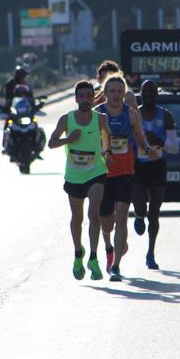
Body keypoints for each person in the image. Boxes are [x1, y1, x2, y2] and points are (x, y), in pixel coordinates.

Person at [48, 81, 112, 281]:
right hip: (74, 176)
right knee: (77, 219)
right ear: (76, 99)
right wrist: (69, 139)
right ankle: (78, 253)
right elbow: (51, 143)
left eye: (88, 96)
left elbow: (107, 137)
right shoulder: (66, 120)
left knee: (94, 214)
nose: (85, 100)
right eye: (81, 96)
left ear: (93, 98)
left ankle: (93, 257)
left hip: (96, 172)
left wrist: (107, 152)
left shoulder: (100, 119)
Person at [96, 74, 157, 281]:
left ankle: (116, 267)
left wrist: (148, 149)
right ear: (105, 93)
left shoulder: (130, 114)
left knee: (121, 215)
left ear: (124, 93)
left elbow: (140, 136)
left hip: (125, 171)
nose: (116, 95)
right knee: (106, 222)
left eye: (119, 91)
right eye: (111, 91)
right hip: (102, 173)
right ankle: (110, 246)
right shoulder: (98, 114)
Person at [132, 80, 179, 269]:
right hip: (138, 166)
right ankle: (138, 215)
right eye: (146, 92)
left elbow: (175, 148)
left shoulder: (165, 116)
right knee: (141, 208)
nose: (149, 95)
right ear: (140, 94)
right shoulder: (135, 115)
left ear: (157, 94)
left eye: (152, 92)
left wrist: (160, 141)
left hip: (157, 166)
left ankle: (150, 253)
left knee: (155, 213)